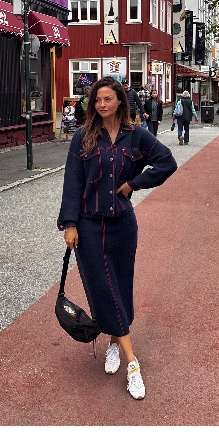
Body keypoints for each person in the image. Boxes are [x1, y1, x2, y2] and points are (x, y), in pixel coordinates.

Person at [58, 77, 177, 400]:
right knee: (103, 288)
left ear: (120, 101)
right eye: (97, 100)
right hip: (89, 226)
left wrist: (135, 184)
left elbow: (167, 162)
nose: (102, 105)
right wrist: (70, 224)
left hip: (123, 225)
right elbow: (72, 183)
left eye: (108, 99)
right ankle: (132, 362)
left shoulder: (136, 135)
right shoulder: (83, 137)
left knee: (120, 286)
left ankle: (113, 342)